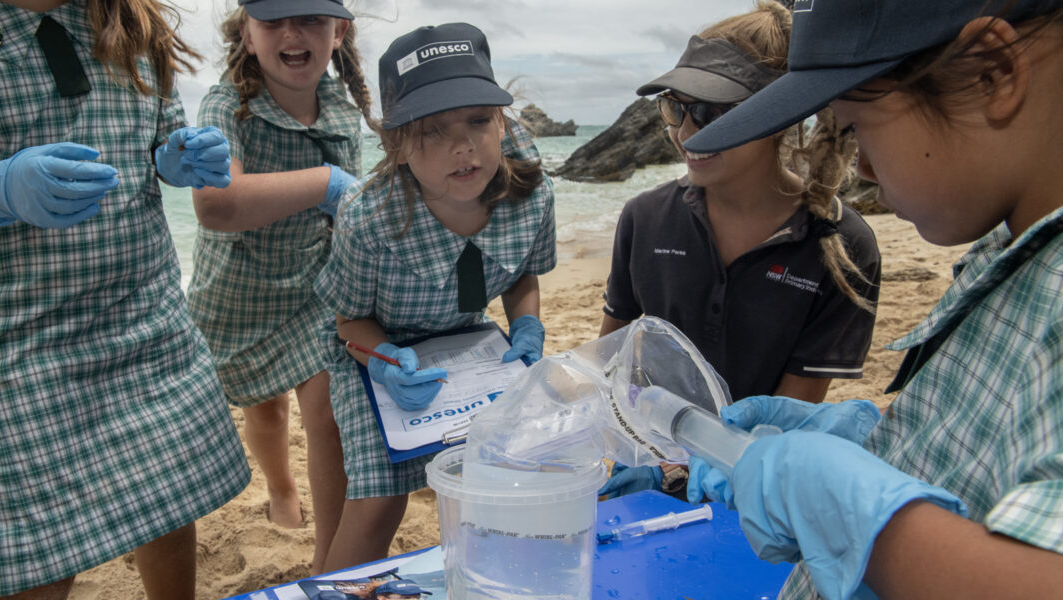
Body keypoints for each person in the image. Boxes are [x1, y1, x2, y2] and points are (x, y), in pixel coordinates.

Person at [0, 0, 252, 599]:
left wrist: (177, 161)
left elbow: (155, 145)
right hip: (12, 348)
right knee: (32, 559)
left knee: (167, 506)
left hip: (145, 322)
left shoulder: (133, 19)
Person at [678, 0, 1063, 598]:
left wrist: (856, 517)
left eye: (855, 128)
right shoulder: (1010, 251)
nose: (863, 172)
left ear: (994, 73)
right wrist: (878, 443)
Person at [599, 1, 881, 499]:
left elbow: (786, 418)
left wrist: (682, 476)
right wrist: (636, 456)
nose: (686, 134)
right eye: (675, 108)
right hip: (644, 465)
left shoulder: (843, 246)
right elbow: (609, 362)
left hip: (752, 487)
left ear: (780, 114)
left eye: (710, 112)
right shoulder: (643, 218)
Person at [312, 22, 556, 571]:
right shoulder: (367, 219)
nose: (463, 145)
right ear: (396, 145)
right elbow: (348, 323)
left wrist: (527, 326)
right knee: (378, 503)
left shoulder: (532, 193)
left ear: (501, 120)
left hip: (471, 345)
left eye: (478, 119)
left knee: (514, 470)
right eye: (432, 130)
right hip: (375, 352)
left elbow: (522, 277)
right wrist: (386, 361)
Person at [185, 0, 368, 573]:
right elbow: (216, 205)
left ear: (338, 31)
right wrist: (325, 181)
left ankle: (327, 563)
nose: (292, 33)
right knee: (265, 413)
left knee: (330, 413)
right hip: (240, 288)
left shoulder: (340, 105)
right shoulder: (226, 104)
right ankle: (282, 489)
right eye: (272, 20)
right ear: (247, 31)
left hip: (317, 285)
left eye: (311, 19)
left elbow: (352, 213)